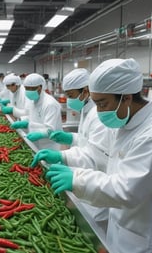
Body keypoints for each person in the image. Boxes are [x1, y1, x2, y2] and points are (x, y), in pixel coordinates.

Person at [45, 58, 152, 253]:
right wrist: (64, 158)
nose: (99, 112)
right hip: (124, 228)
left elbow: (127, 190)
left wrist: (77, 180)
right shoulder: (123, 124)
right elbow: (98, 156)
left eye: (102, 104)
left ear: (126, 97)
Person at [31, 68, 111, 229]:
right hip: (85, 179)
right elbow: (87, 141)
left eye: (71, 95)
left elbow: (95, 156)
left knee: (93, 228)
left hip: (95, 185)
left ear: (86, 90)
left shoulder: (98, 114)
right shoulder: (87, 109)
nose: (68, 99)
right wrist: (71, 138)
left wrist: (62, 156)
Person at [10, 73, 62, 150]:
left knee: (47, 162)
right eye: (26, 88)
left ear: (40, 87)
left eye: (32, 88)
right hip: (35, 143)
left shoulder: (50, 104)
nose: (28, 91)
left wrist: (40, 134)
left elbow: (51, 129)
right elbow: (33, 117)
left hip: (49, 145)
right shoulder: (33, 100)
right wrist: (25, 121)